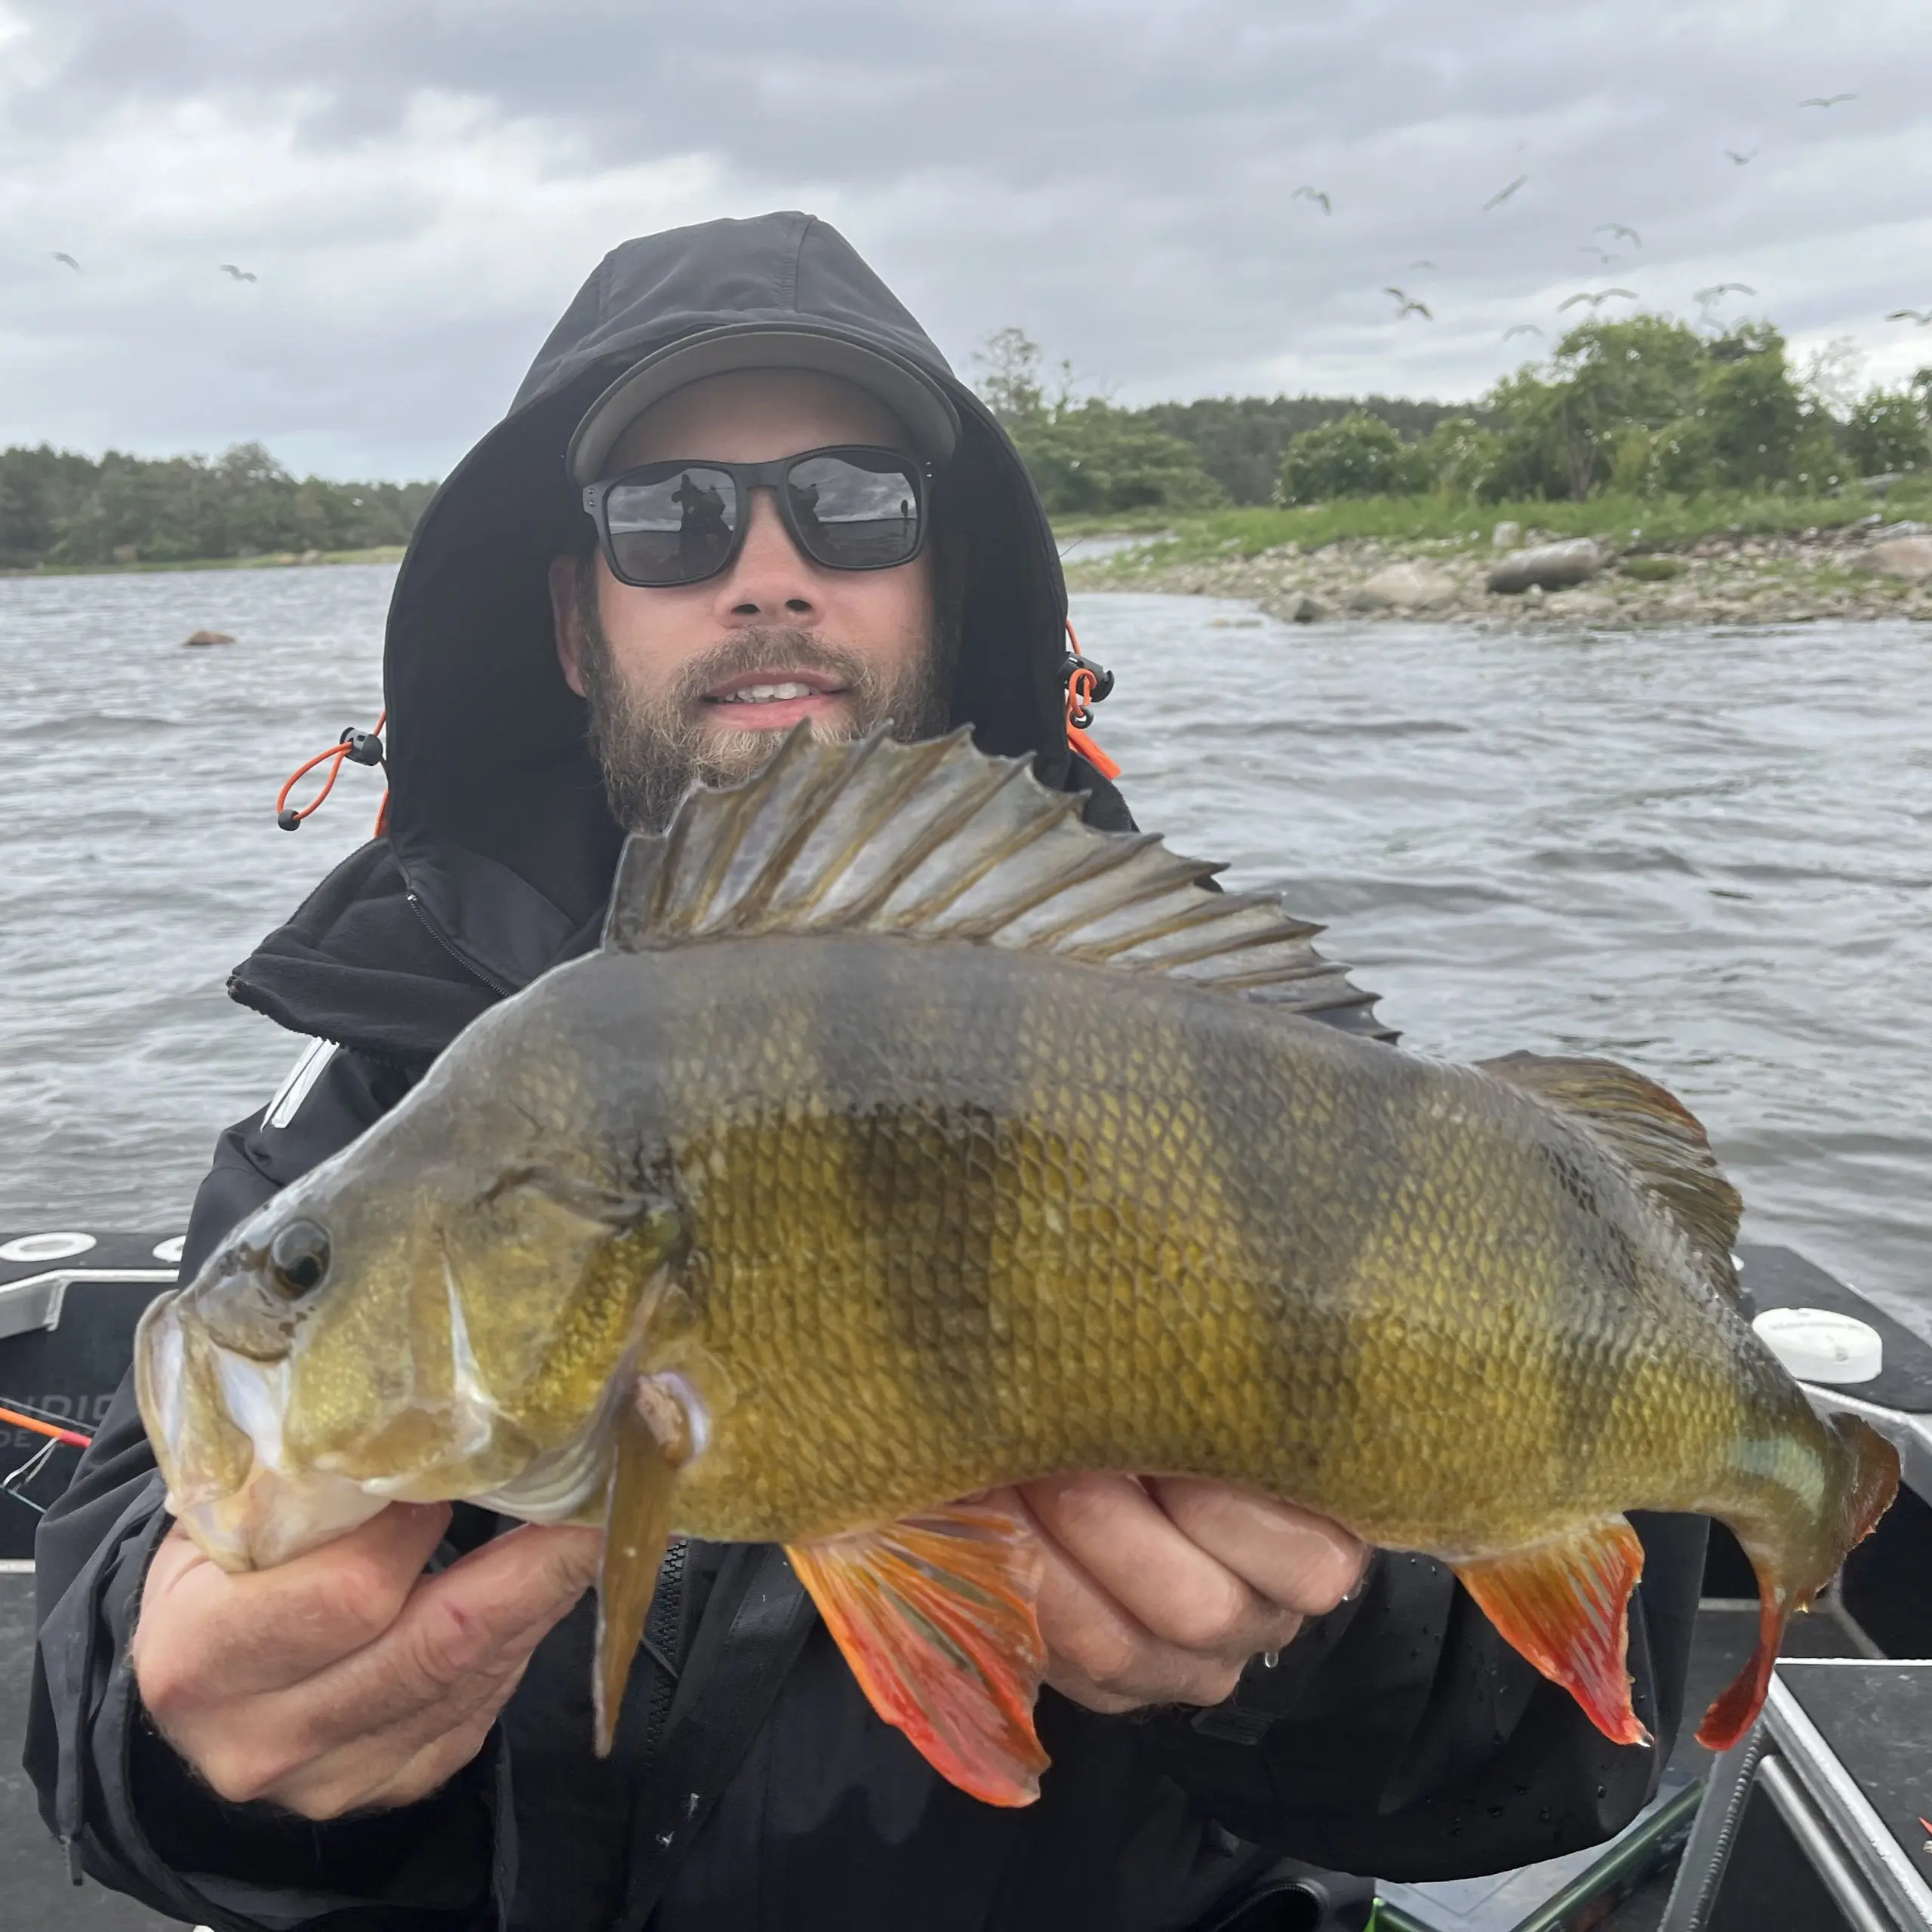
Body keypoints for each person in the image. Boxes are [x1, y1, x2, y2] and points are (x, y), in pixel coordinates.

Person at [29, 212, 1706, 1932]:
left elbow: (1574, 1743)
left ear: (944, 588)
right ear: (572, 624)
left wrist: (1310, 1653)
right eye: (669, 517)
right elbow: (98, 1673)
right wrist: (196, 1742)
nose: (767, 573)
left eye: (853, 505)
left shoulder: (1192, 1035)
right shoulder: (396, 1079)